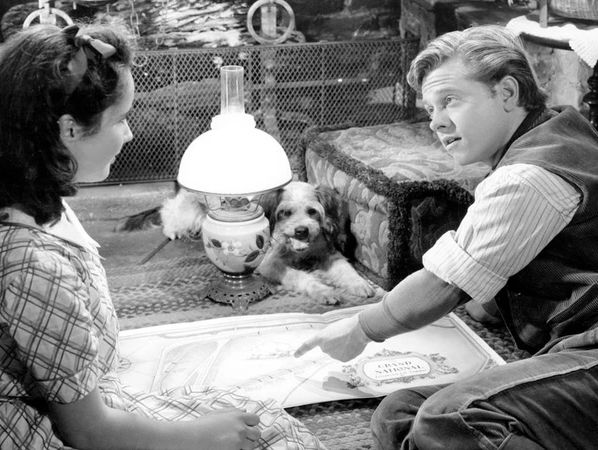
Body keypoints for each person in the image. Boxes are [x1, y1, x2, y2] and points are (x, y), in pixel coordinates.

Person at [0, 23, 325, 450]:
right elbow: (88, 431)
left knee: (263, 420)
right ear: (69, 130)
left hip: (86, 407)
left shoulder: (34, 205)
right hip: (46, 432)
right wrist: (197, 436)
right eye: (121, 119)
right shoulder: (34, 262)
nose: (129, 134)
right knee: (270, 436)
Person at [295, 24, 598, 449]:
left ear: (507, 92)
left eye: (450, 100)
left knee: (450, 418)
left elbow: (444, 283)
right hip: (570, 349)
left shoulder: (529, 176)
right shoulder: (553, 133)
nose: (437, 121)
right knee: (400, 414)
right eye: (431, 108)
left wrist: (362, 328)